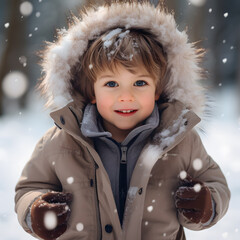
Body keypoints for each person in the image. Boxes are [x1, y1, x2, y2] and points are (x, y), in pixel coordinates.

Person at [15, 1, 230, 240]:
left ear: (157, 90)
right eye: (111, 84)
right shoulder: (61, 141)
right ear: (91, 93)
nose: (126, 96)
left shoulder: (180, 140)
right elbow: (29, 187)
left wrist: (206, 204)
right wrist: (34, 209)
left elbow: (216, 183)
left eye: (140, 83)